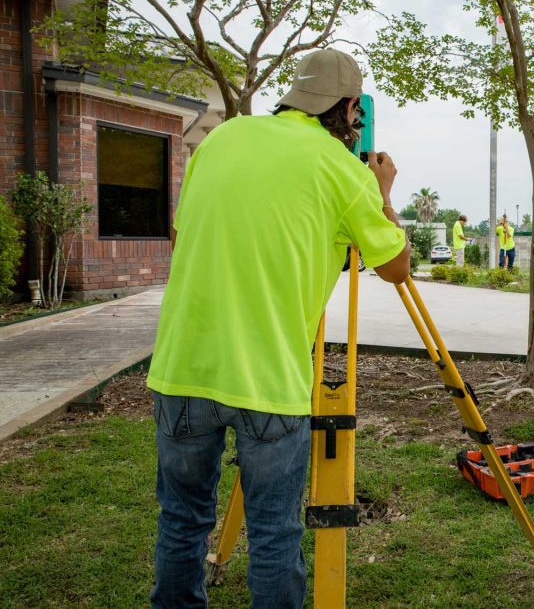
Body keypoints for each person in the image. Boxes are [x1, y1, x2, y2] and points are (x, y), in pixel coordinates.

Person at [145, 48, 410, 609]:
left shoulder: (221, 139)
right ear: (347, 109)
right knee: (273, 532)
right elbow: (395, 267)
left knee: (182, 522)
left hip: (183, 367)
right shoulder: (343, 168)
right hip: (269, 380)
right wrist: (382, 191)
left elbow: (181, 235)